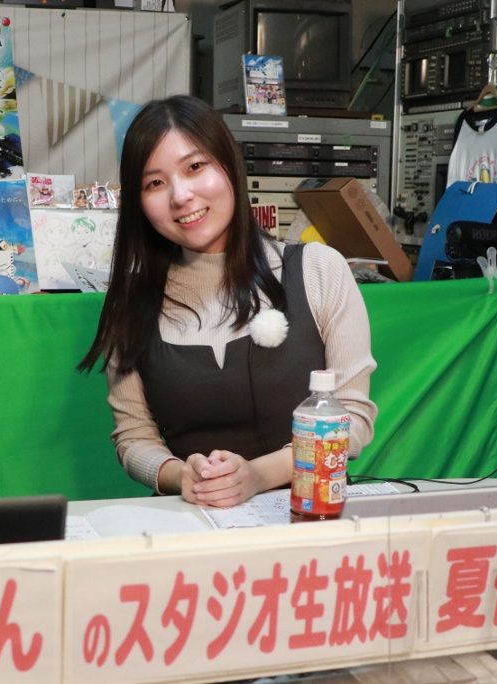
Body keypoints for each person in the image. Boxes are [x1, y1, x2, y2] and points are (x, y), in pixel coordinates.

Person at [79, 95, 376, 508]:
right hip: (192, 522)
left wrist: (258, 475)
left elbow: (353, 420)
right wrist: (182, 476)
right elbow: (134, 438)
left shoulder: (319, 269)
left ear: (229, 164)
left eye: (195, 167)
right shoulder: (130, 301)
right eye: (155, 183)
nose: (181, 195)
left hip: (311, 513)